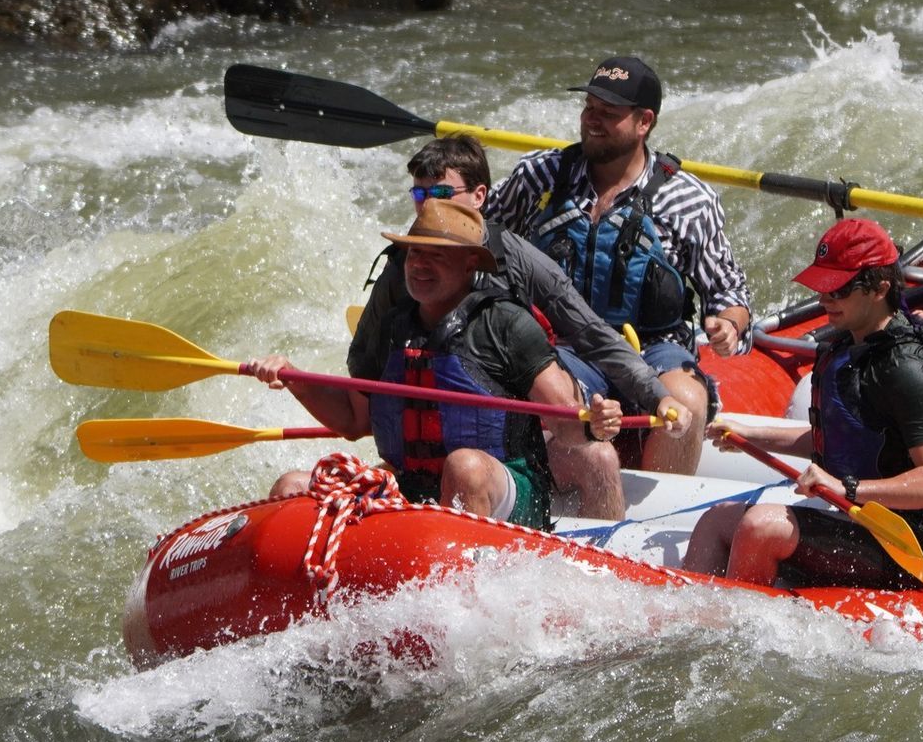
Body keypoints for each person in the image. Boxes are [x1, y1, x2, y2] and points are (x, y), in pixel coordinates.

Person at [349, 135, 689, 515]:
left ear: (479, 196)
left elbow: (591, 333)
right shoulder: (404, 269)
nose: (429, 206)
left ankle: (598, 561)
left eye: (442, 192)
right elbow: (363, 369)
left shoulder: (516, 256)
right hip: (441, 434)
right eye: (419, 195)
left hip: (521, 421)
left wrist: (658, 396)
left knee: (598, 457)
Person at [249, 201, 621, 528]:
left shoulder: (506, 323)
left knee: (464, 468)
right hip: (412, 486)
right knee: (292, 487)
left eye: (435, 255)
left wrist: (596, 424)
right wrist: (294, 378)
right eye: (414, 254)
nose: (419, 265)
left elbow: (565, 421)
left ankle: (463, 590)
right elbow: (353, 419)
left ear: (469, 263)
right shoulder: (392, 326)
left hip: (507, 490)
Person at [485, 55, 753, 476]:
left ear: (644, 122)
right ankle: (544, 494)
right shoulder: (539, 176)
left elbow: (729, 293)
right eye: (589, 108)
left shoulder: (688, 201)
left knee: (686, 400)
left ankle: (661, 516)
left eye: (608, 114)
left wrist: (729, 326)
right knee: (545, 392)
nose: (592, 120)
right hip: (565, 345)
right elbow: (480, 235)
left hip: (655, 348)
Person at [685, 219, 923, 588]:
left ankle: (735, 628)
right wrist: (750, 434)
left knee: (761, 526)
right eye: (823, 288)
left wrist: (846, 487)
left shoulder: (912, 370)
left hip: (903, 549)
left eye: (838, 290)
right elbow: (837, 439)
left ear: (880, 288)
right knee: (715, 521)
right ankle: (694, 623)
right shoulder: (848, 346)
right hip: (850, 519)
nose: (824, 299)